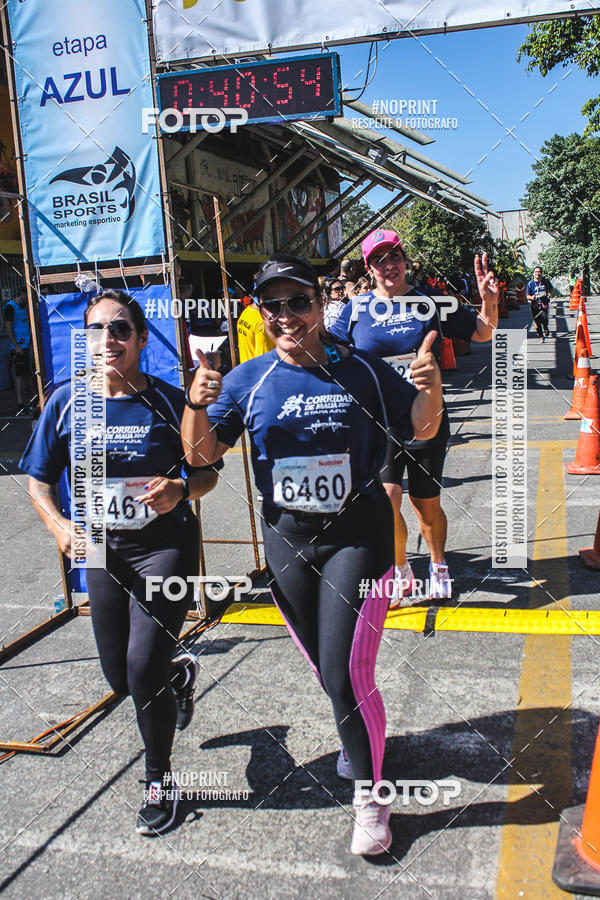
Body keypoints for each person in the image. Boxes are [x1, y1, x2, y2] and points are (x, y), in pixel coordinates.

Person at [181, 254, 443, 856]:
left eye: (298, 301)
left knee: (348, 673)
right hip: (289, 541)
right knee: (331, 672)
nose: (286, 316)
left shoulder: (367, 371)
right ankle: (361, 747)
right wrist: (197, 401)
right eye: (272, 306)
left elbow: (421, 429)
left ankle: (371, 799)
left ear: (321, 304)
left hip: (359, 533)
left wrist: (428, 392)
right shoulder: (247, 380)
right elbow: (198, 457)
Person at [19, 289, 220, 836]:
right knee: (121, 677)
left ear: (138, 337)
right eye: (97, 330)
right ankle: (176, 675)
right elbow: (36, 479)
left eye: (121, 329)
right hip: (100, 548)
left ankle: (160, 780)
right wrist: (59, 526)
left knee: (139, 665)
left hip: (164, 545)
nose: (109, 339)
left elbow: (209, 472)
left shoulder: (168, 400)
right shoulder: (64, 402)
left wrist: (181, 489)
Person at [329, 229, 498, 604]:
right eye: (378, 260)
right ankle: (400, 569)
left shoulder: (432, 301)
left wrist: (488, 303)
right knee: (385, 502)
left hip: (426, 418)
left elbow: (483, 332)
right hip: (378, 424)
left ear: (404, 259)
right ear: (369, 268)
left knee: (426, 505)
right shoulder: (355, 310)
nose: (388, 265)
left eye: (394, 256)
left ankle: (438, 565)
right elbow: (328, 352)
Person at [4, 285, 36, 414]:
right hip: (18, 347)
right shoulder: (10, 307)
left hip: (26, 344)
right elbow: (8, 327)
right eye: (26, 297)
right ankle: (20, 403)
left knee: (28, 374)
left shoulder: (24, 307)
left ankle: (32, 400)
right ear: (22, 294)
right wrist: (16, 346)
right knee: (19, 375)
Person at [236, 295, 275, 362]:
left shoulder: (247, 311)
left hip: (246, 368)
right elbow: (264, 362)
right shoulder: (263, 323)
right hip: (258, 371)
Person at [526, 265, 553, 342]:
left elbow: (551, 289)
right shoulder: (530, 284)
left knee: (544, 318)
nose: (537, 273)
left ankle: (545, 327)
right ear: (533, 273)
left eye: (539, 272)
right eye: (536, 272)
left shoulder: (545, 282)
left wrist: (549, 294)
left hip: (544, 304)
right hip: (534, 305)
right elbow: (527, 296)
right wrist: (532, 298)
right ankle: (541, 336)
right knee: (537, 321)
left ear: (541, 273)